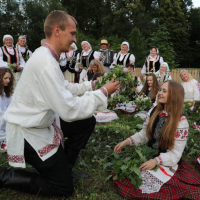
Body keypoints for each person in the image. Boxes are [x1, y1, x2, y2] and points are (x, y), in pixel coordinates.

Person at [1, 10, 120, 197]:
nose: (74, 39)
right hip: (28, 130)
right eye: (72, 33)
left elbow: (63, 87)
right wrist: (103, 92)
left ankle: (65, 165)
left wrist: (92, 85)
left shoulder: (46, 56)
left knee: (86, 122)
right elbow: (68, 109)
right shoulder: (45, 62)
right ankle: (4, 176)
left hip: (40, 121)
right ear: (57, 30)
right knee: (63, 188)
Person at [114, 81, 200, 199]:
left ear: (174, 95)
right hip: (150, 154)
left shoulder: (181, 121)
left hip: (168, 160)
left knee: (155, 188)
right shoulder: (154, 111)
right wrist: (127, 141)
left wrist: (156, 161)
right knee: (129, 176)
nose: (159, 93)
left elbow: (175, 154)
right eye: (160, 90)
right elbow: (144, 134)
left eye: (164, 91)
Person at [0, 68, 14, 150]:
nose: (8, 81)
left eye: (9, 78)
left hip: (5, 126)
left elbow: (11, 107)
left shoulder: (5, 93)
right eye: (5, 78)